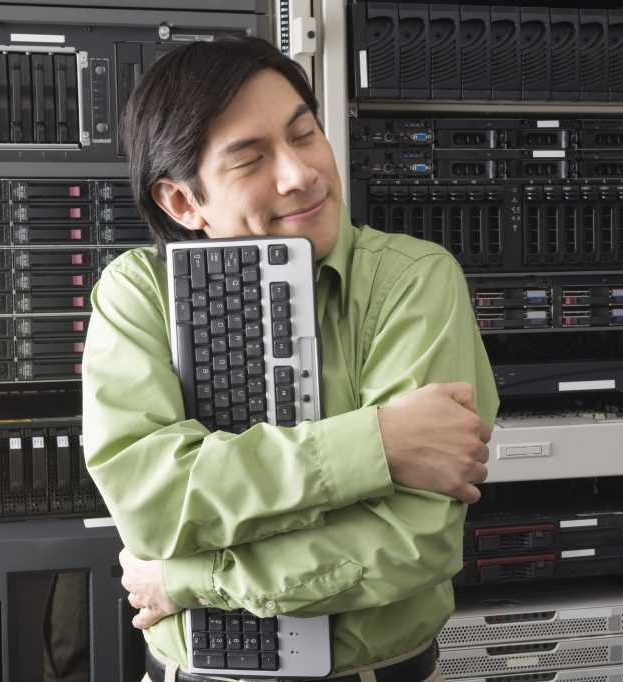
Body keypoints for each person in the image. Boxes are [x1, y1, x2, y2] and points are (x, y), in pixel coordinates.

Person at [81, 36, 498, 682]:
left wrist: (191, 576)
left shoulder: (413, 282)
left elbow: (411, 541)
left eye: (305, 135)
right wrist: (377, 444)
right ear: (182, 203)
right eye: (250, 159)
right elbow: (151, 502)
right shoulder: (137, 293)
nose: (300, 173)